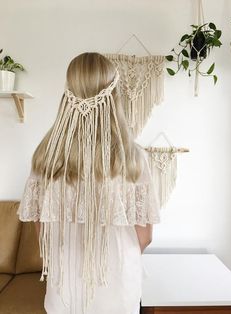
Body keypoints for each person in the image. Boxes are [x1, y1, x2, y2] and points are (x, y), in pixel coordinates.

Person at [17, 52, 161, 314]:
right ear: (114, 96)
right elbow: (145, 236)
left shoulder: (46, 156)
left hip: (65, 287)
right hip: (118, 285)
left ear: (68, 95)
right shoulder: (133, 157)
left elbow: (42, 232)